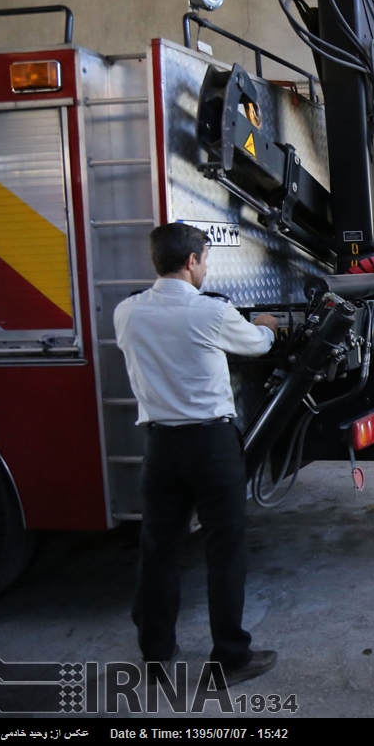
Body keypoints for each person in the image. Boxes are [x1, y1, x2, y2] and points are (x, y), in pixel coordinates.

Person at [114, 223, 279, 685]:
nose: (205, 268)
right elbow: (257, 344)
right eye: (204, 259)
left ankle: (155, 654)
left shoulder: (126, 313)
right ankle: (230, 657)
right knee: (224, 552)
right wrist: (265, 326)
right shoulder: (210, 312)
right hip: (210, 447)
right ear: (192, 261)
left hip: (160, 447)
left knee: (158, 550)